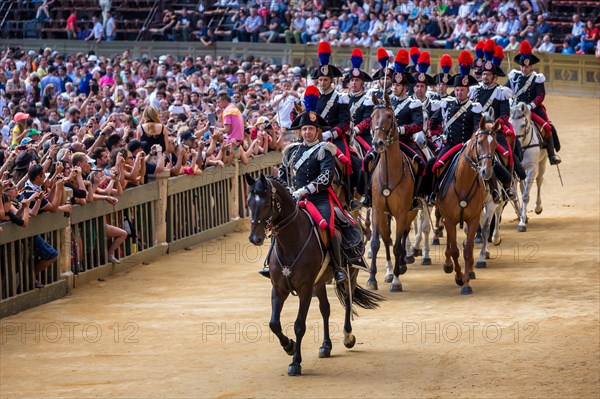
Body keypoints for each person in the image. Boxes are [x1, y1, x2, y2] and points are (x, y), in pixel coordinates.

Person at [272, 85, 347, 284]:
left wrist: (304, 190)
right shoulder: (291, 151)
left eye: (311, 129)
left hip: (318, 198)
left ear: (317, 131)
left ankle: (338, 268)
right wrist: (288, 191)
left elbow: (326, 177)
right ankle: (271, 263)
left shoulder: (326, 149)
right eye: (304, 129)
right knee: (277, 225)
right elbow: (282, 175)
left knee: (329, 228)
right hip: (294, 198)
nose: (307, 132)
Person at [428, 50, 483, 202]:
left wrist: (472, 140)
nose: (459, 93)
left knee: (488, 164)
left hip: (469, 146)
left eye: (462, 90)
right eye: (457, 90)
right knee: (436, 165)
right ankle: (433, 193)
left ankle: (494, 191)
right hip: (451, 144)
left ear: (468, 91)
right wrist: (435, 137)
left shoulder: (474, 106)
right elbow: (433, 121)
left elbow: (477, 126)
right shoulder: (447, 104)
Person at [470, 41, 520, 201]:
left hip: (495, 130)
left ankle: (508, 185)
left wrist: (495, 125)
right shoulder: (474, 90)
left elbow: (505, 114)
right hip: (477, 129)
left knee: (507, 152)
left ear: (495, 77)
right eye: (483, 74)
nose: (484, 77)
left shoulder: (501, 93)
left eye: (488, 74)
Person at [505, 41, 561, 165]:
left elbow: (540, 95)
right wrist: (509, 100)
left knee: (547, 126)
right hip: (515, 108)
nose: (525, 69)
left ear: (531, 66)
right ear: (520, 66)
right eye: (523, 66)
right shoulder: (514, 77)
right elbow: (506, 91)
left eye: (527, 67)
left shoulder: (537, 78)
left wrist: (530, 106)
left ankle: (552, 155)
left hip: (533, 109)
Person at [344, 48, 374, 153]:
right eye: (352, 80)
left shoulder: (368, 100)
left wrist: (356, 129)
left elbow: (368, 120)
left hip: (362, 136)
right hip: (344, 134)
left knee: (372, 156)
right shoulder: (343, 98)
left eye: (357, 80)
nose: (354, 83)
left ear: (362, 83)